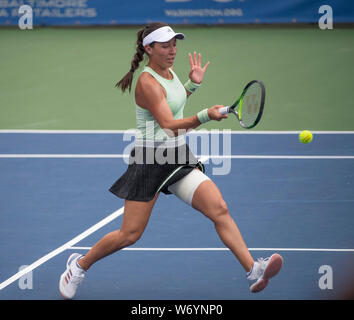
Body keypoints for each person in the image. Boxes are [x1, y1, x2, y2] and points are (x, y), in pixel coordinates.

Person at [59, 22, 283, 299]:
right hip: (150, 159)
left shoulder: (169, 73)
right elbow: (168, 124)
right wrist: (205, 116)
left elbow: (172, 103)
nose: (173, 50)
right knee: (130, 235)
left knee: (219, 208)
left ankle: (253, 270)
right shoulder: (147, 82)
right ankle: (79, 265)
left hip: (177, 156)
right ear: (149, 49)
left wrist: (192, 85)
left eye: (175, 44)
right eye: (165, 46)